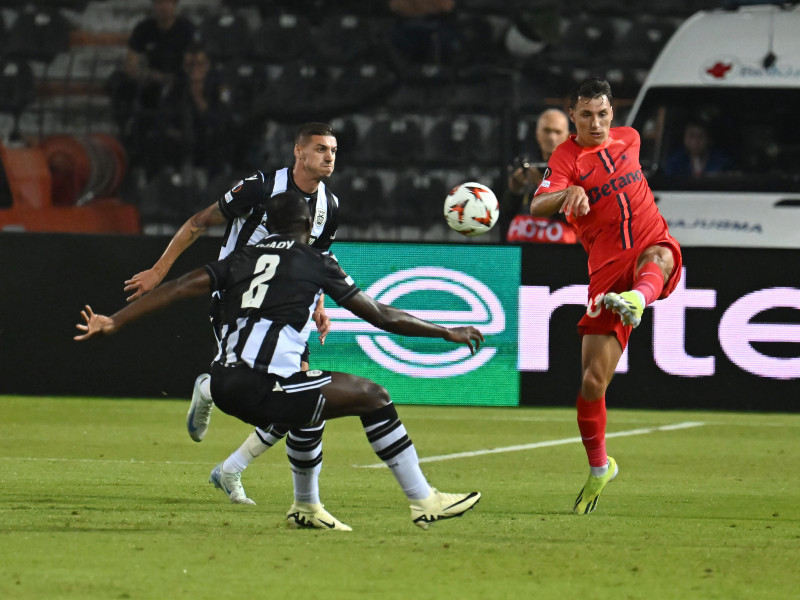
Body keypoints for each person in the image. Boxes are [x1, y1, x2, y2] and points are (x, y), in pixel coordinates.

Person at [76, 191, 482, 530]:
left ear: (269, 225)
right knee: (373, 395)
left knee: (310, 404)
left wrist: (115, 320)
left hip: (226, 380)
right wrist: (447, 331)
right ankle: (423, 499)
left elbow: (180, 287)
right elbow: (381, 315)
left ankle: (306, 508)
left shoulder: (242, 258)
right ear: (309, 226)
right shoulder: (315, 260)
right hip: (261, 383)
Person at [124, 122, 343, 528]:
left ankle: (230, 468)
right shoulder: (261, 187)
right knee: (276, 394)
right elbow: (198, 221)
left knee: (300, 399)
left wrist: (319, 305)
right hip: (238, 301)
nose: (329, 156)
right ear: (298, 151)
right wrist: (158, 271)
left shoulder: (330, 207)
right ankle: (211, 390)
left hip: (287, 308)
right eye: (320, 149)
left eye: (333, 150)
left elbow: (318, 260)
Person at [529, 78, 683, 514]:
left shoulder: (630, 139)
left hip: (650, 246)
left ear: (613, 113)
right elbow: (539, 205)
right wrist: (567, 191)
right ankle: (600, 468)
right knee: (592, 384)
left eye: (602, 114)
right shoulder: (566, 157)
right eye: (585, 115)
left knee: (660, 254)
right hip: (607, 271)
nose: (595, 123)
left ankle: (639, 298)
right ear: (573, 117)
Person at [107, 0, 197, 168]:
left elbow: (193, 62)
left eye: (167, 3)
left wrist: (172, 78)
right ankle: (125, 127)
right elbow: (130, 64)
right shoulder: (144, 28)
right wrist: (147, 75)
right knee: (118, 82)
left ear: (175, 5)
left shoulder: (187, 29)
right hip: (151, 82)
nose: (162, 7)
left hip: (179, 83)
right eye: (158, 3)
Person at [500, 108, 570, 241]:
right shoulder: (526, 165)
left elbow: (576, 217)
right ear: (537, 134)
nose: (551, 137)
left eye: (557, 132)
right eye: (547, 131)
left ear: (567, 136)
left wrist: (541, 184)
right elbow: (506, 216)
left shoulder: (577, 169)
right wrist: (514, 191)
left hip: (561, 251)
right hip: (524, 246)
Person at [662, 117, 733, 178]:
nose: (695, 141)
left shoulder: (722, 161)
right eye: (691, 135)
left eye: (700, 136)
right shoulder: (676, 161)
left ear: (709, 139)